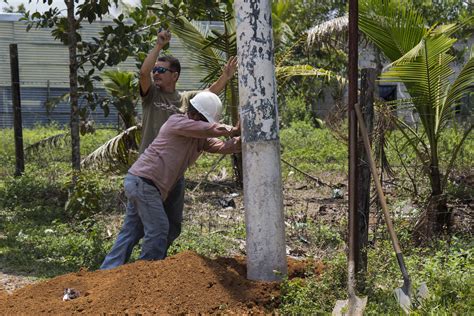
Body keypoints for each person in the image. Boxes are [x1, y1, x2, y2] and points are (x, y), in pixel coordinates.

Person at [100, 91, 241, 269]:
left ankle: (108, 272)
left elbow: (221, 146)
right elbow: (210, 129)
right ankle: (146, 274)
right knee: (158, 230)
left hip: (144, 184)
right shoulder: (177, 122)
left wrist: (240, 142)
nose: (207, 124)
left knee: (131, 232)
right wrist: (233, 130)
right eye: (205, 120)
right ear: (194, 114)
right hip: (144, 182)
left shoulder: (200, 135)